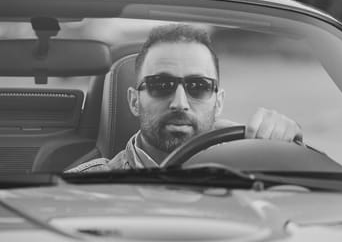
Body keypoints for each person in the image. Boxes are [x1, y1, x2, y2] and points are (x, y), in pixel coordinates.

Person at [67, 24, 303, 172]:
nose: (179, 103)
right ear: (134, 101)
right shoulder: (84, 187)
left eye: (198, 86)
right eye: (160, 85)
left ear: (218, 102)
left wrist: (291, 151)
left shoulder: (256, 171)